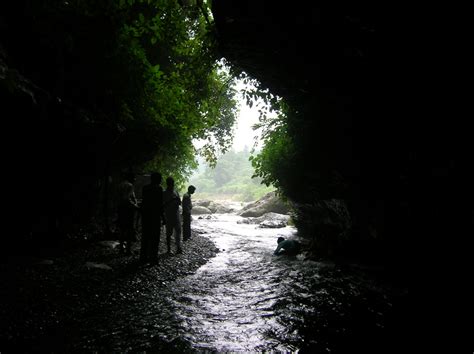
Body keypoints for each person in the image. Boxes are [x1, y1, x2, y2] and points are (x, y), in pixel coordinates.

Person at [140, 172, 165, 263]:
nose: (161, 180)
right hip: (155, 216)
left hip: (146, 216)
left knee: (145, 237)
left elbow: (143, 202)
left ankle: (143, 257)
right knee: (155, 238)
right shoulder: (159, 188)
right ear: (157, 179)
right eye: (160, 178)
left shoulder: (145, 188)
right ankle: (153, 258)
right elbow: (160, 205)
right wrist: (163, 218)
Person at [117, 171, 140, 255]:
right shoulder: (129, 186)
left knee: (122, 229)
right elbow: (127, 199)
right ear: (130, 177)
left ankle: (121, 249)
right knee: (130, 230)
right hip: (127, 211)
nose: (135, 179)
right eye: (134, 178)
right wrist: (136, 206)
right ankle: (128, 250)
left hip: (120, 209)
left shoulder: (120, 185)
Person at [163, 176, 182, 254]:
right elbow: (163, 205)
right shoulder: (164, 193)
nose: (172, 185)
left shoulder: (176, 191)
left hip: (176, 214)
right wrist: (172, 200)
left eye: (173, 183)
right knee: (168, 233)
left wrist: (177, 200)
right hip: (168, 215)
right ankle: (168, 249)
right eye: (171, 183)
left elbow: (179, 202)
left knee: (178, 231)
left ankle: (178, 247)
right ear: (168, 184)